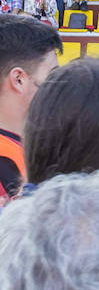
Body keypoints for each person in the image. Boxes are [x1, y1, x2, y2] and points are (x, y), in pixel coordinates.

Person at [0, 15, 61, 204]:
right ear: (19, 79)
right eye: (54, 75)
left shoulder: (35, 147)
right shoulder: (8, 163)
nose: (60, 85)